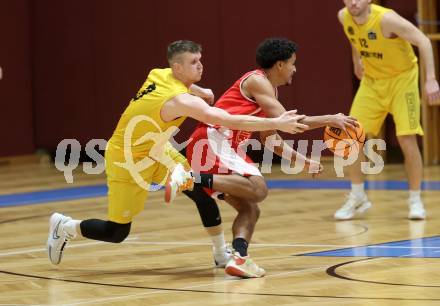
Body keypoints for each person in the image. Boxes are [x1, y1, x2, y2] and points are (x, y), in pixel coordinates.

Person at [46, 40, 309, 265]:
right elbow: (226, 119)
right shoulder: (181, 101)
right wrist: (276, 123)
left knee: (201, 194)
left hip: (159, 152)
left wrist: (199, 89)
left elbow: (175, 82)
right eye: (194, 62)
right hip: (127, 160)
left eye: (200, 60)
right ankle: (65, 226)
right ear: (178, 67)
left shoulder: (159, 74)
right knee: (117, 232)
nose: (201, 65)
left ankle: (220, 254)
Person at [168, 38, 358, 278]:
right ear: (279, 65)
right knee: (258, 189)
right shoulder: (257, 81)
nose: (295, 69)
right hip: (213, 139)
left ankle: (239, 258)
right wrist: (330, 118)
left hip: (224, 146)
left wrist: (303, 161)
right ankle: (189, 177)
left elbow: (271, 138)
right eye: (292, 63)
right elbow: (288, 122)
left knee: (251, 209)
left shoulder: (268, 89)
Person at [333, 0, 440, 221]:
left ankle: (415, 199)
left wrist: (430, 79)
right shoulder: (344, 16)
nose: (353, 2)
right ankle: (358, 195)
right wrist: (357, 61)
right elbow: (355, 39)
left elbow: (423, 41)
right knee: (352, 134)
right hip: (373, 81)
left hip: (402, 80)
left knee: (406, 139)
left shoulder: (386, 19)